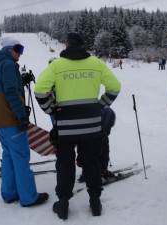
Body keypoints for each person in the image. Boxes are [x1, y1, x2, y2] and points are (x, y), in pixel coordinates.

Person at [34, 32, 121, 220]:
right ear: (83, 45)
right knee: (92, 162)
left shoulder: (57, 65)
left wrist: (51, 110)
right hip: (92, 126)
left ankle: (63, 204)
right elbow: (115, 87)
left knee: (65, 164)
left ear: (66, 44)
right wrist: (100, 105)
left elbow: (40, 90)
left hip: (66, 127)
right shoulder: (96, 64)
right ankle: (95, 202)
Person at [0, 36, 49, 207]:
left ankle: (9, 193)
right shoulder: (8, 65)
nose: (21, 53)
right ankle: (29, 197)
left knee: (8, 156)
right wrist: (21, 115)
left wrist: (20, 81)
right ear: (9, 49)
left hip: (1, 122)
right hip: (12, 121)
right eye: (18, 49)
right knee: (21, 157)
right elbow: (10, 92)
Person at [77, 107, 116, 181]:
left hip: (86, 124)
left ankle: (87, 170)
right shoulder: (109, 114)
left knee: (85, 144)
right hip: (99, 125)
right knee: (102, 145)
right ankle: (101, 171)